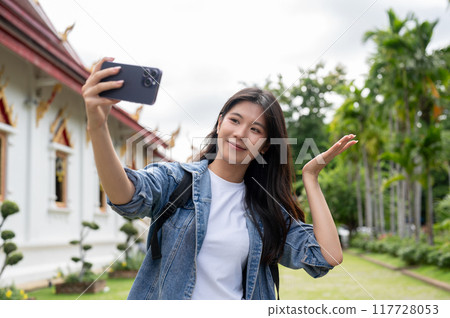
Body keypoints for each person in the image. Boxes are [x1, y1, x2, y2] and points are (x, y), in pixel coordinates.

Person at [82, 57, 358, 300]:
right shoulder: (176, 180)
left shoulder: (266, 209)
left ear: (264, 146)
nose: (240, 134)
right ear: (220, 122)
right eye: (235, 121)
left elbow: (327, 256)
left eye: (255, 129)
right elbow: (126, 197)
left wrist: (310, 178)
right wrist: (98, 125)